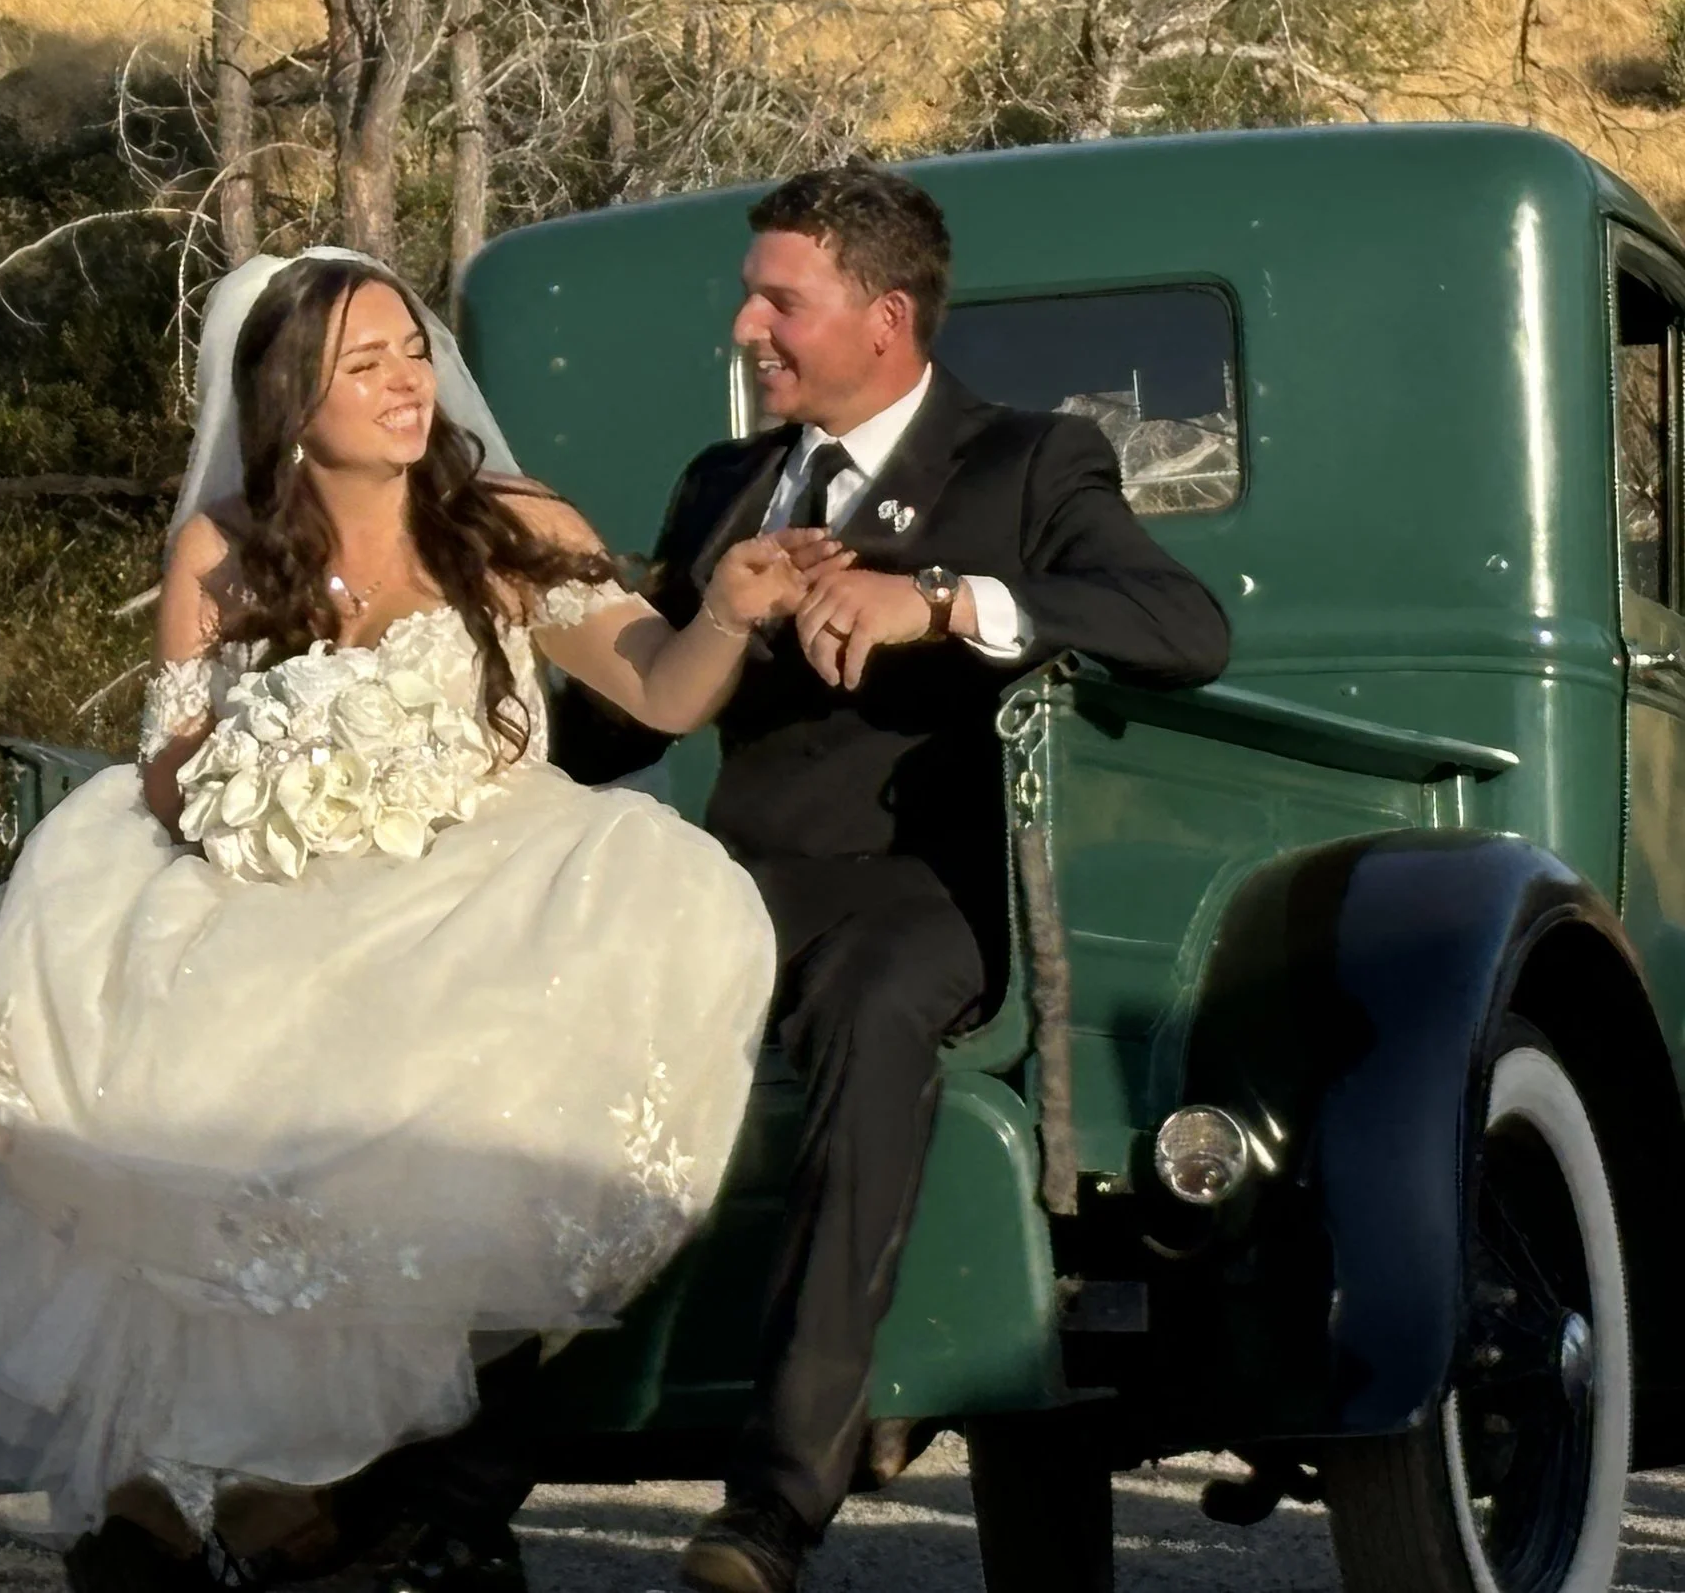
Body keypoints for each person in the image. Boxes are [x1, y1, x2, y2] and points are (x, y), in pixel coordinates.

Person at [0, 247, 825, 1582]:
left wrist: (731, 614)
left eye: (413, 351)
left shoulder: (508, 520)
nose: (409, 383)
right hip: (271, 871)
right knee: (145, 1046)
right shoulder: (222, 550)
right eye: (368, 364)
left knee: (458, 1036)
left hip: (471, 874)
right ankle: (179, 1484)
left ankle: (318, 1487)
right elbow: (168, 771)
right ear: (294, 402)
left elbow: (662, 691)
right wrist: (273, 762)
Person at [398, 161, 1233, 1593]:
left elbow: (1180, 621)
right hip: (727, 883)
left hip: (922, 888)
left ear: (888, 316)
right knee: (530, 1024)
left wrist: (947, 602)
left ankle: (777, 1500)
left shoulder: (1028, 462)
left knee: (865, 1005)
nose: (747, 328)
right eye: (751, 297)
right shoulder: (727, 484)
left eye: (781, 299)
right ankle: (453, 1486)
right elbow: (622, 716)